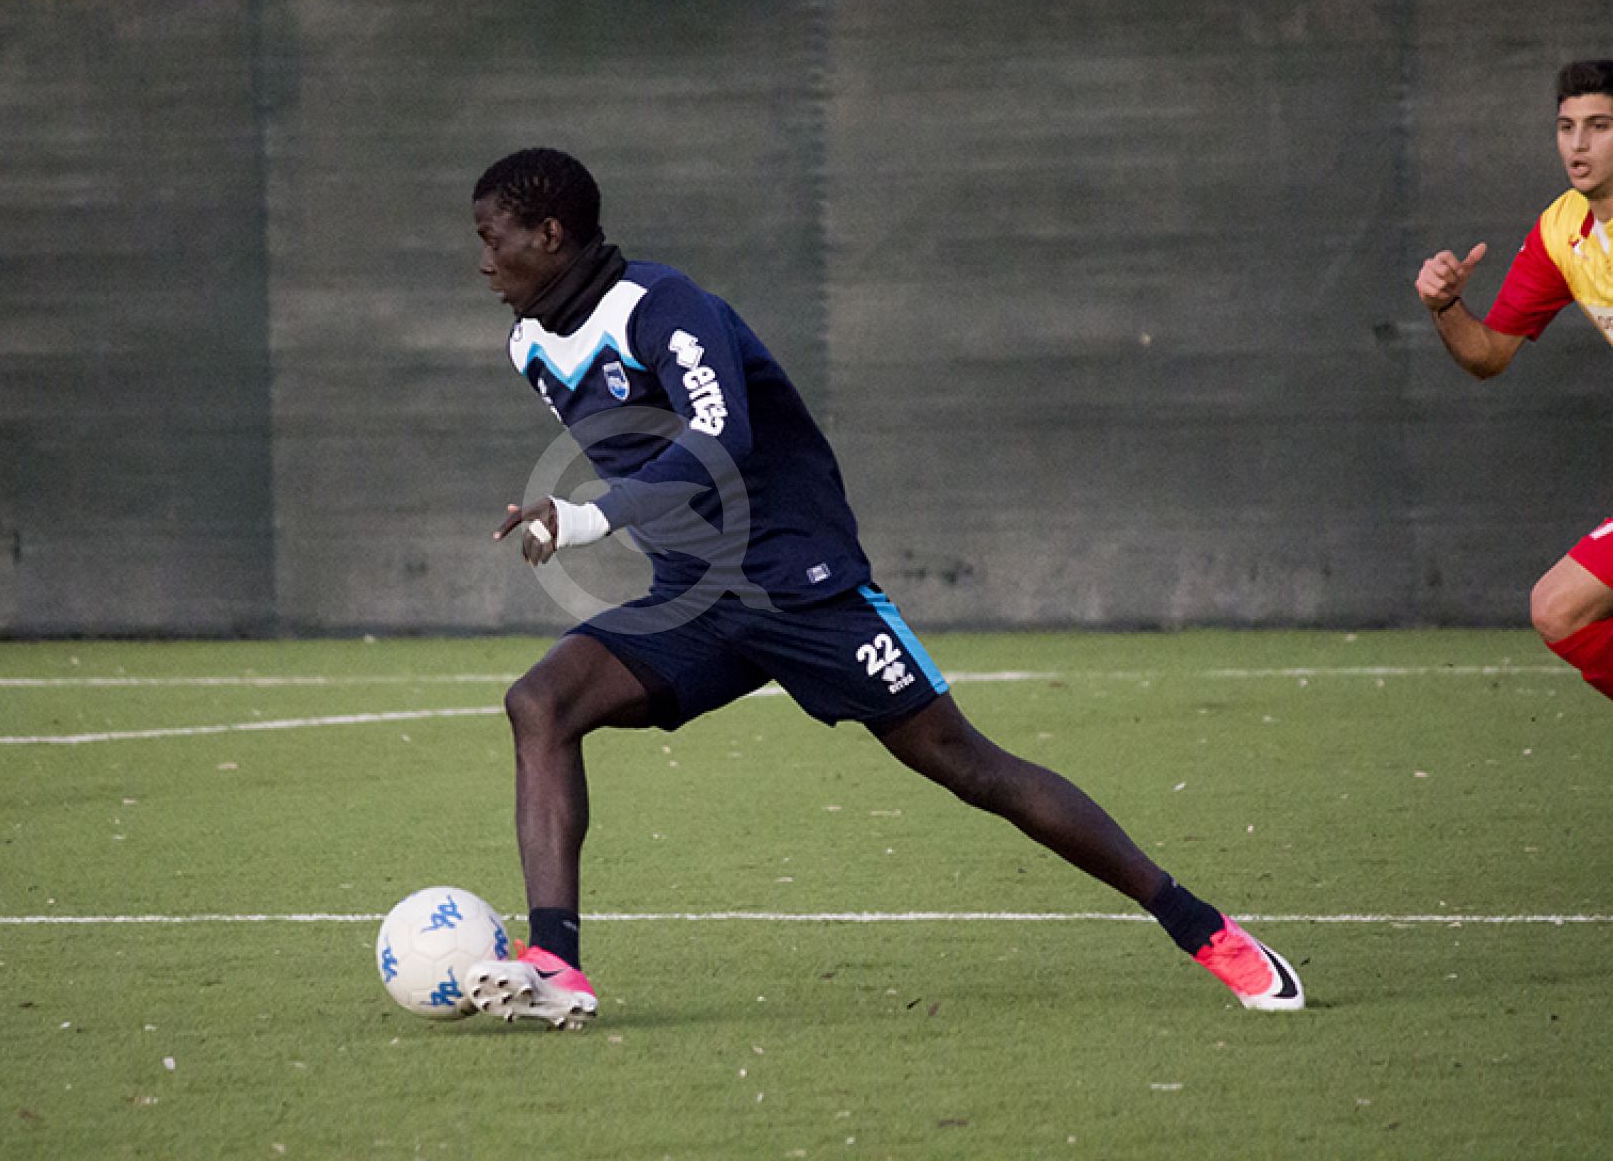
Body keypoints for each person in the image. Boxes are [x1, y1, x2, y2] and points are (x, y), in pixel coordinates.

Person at [462, 147, 1305, 1029]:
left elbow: (721, 437)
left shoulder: (663, 306)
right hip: (696, 601)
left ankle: (1202, 927)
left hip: (802, 587)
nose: (483, 261)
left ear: (550, 234)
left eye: (493, 237)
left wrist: (589, 517)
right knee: (541, 704)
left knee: (970, 767)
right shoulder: (529, 345)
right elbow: (643, 457)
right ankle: (556, 965)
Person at [1413, 58, 1613, 702]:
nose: (1579, 144)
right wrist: (1446, 305)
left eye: (1600, 126)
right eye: (1566, 126)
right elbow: (1487, 354)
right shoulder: (1562, 232)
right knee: (1559, 609)